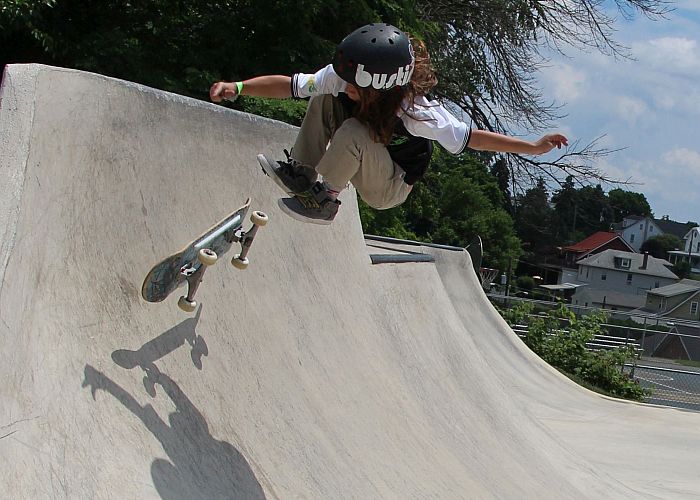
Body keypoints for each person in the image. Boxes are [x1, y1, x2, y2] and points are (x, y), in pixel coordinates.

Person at [210, 23, 568, 225]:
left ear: (380, 87)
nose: (346, 88)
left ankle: (325, 202)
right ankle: (302, 173)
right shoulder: (342, 78)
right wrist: (238, 87)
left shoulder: (417, 111)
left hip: (391, 184)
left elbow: (474, 139)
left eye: (355, 86)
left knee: (353, 132)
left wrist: (533, 146)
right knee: (322, 98)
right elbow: (289, 85)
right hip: (369, 153)